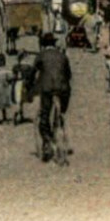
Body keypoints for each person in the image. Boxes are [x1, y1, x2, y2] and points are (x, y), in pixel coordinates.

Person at [34, 33, 72, 162]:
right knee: (61, 112)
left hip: (48, 89)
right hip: (63, 89)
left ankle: (47, 141)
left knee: (44, 116)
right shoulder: (62, 56)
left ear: (43, 44)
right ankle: (61, 117)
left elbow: (33, 72)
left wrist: (29, 86)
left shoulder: (41, 55)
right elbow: (69, 75)